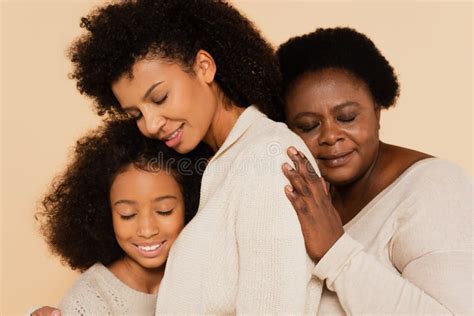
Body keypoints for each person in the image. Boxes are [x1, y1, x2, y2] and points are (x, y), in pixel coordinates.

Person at [52, 0, 322, 314]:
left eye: (160, 97)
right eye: (136, 113)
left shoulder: (267, 158)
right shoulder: (217, 164)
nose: (151, 125)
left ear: (204, 67)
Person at [276, 27, 473, 315]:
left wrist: (336, 251)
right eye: (308, 125)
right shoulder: (315, 201)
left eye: (347, 117)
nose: (330, 135)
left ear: (377, 112)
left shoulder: (434, 188)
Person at [36, 119, 209, 315]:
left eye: (164, 210)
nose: (147, 229)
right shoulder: (88, 301)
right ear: (104, 214)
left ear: (190, 203)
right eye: (127, 215)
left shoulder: (203, 277)